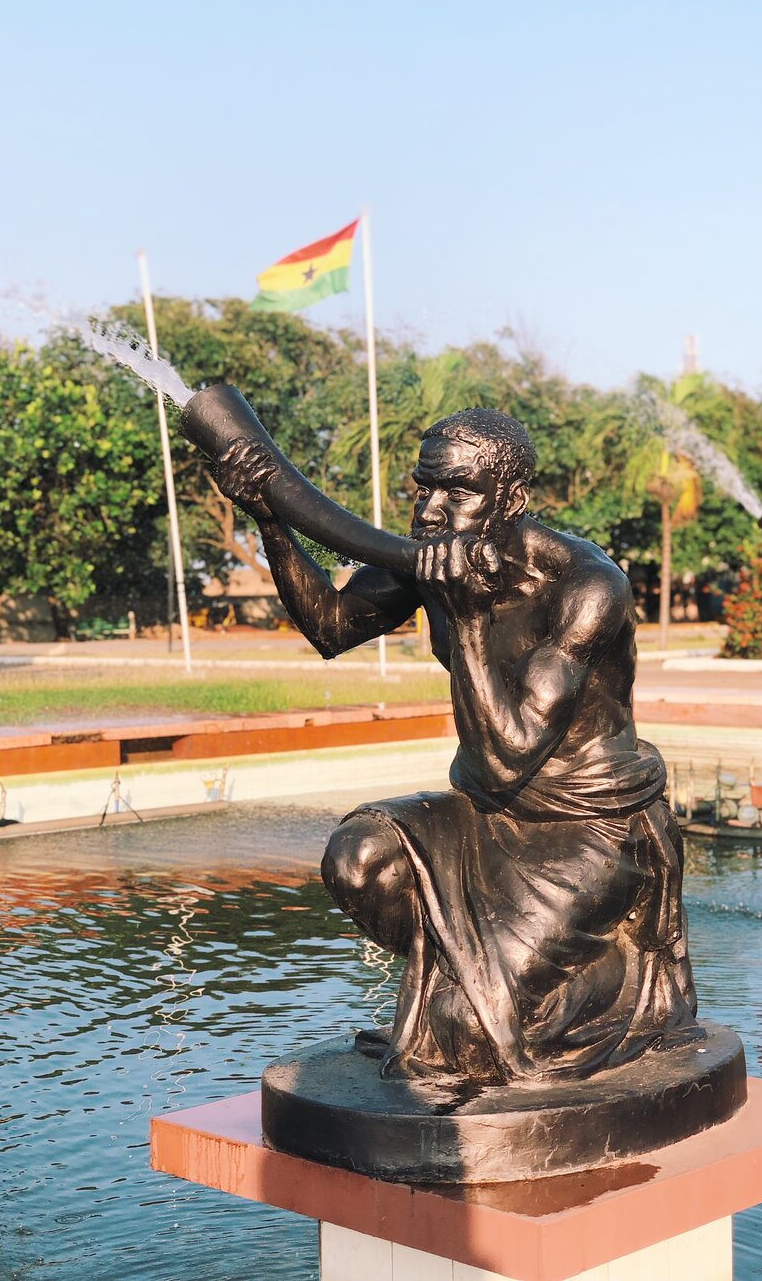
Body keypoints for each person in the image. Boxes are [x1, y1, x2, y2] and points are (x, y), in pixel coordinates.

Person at [216, 408, 699, 1083]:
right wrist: (271, 520)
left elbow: (509, 756)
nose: (432, 511)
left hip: (592, 828)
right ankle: (480, 975)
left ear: (512, 499)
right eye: (424, 488)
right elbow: (329, 624)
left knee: (467, 1036)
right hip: (486, 813)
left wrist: (468, 622)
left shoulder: (587, 586)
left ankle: (596, 972)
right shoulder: (432, 565)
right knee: (357, 858)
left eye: (457, 491)